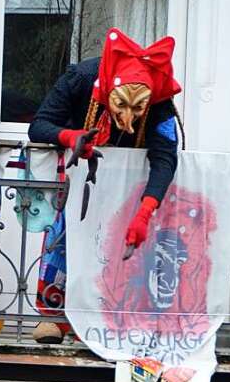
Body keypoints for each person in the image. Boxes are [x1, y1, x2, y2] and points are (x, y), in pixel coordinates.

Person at [27, 27, 182, 344]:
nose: (128, 118)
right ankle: (53, 318)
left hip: (129, 184)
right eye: (120, 107)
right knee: (65, 238)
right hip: (79, 178)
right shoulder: (80, 78)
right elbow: (38, 125)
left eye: (137, 110)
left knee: (116, 247)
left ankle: (105, 320)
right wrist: (69, 137)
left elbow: (166, 157)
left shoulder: (161, 103)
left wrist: (146, 211)